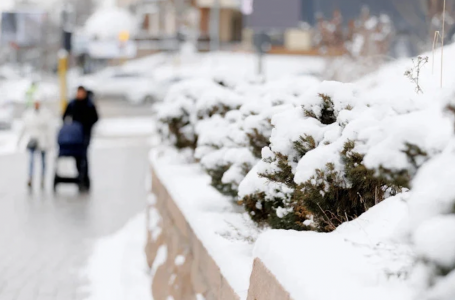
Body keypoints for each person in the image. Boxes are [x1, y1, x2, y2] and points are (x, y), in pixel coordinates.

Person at [63, 86, 99, 190]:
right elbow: (64, 116)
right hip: (75, 135)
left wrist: (88, 126)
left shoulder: (89, 104)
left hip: (85, 134)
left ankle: (84, 179)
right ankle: (80, 176)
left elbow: (95, 117)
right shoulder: (73, 104)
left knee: (84, 156)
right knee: (77, 156)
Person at [18, 99, 53, 188]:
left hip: (43, 140)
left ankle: (43, 178)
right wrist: (19, 141)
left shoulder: (46, 114)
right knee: (31, 161)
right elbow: (24, 128)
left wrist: (51, 142)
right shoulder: (28, 114)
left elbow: (49, 129)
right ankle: (30, 177)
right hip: (33, 140)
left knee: (43, 161)